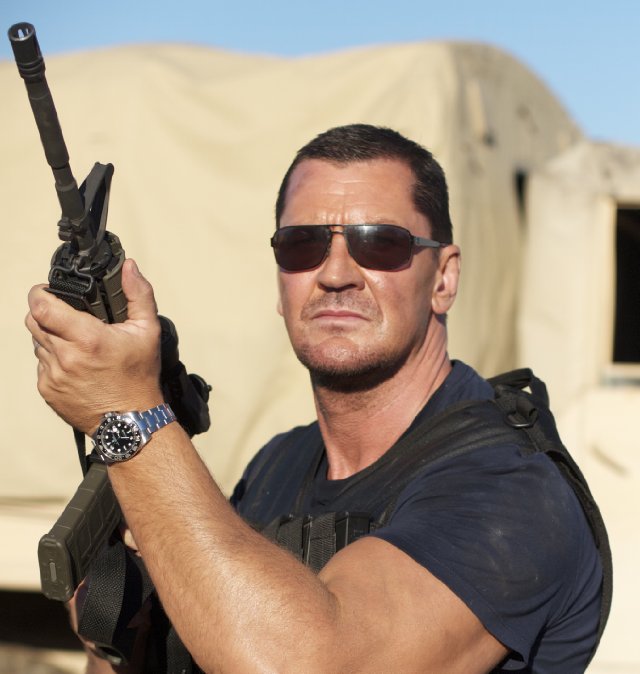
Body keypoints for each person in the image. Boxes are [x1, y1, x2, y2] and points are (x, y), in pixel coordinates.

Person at [26, 124, 603, 673]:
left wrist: (130, 415)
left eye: (380, 243)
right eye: (302, 245)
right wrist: (120, 624)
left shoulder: (511, 487)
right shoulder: (279, 462)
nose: (334, 274)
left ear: (444, 279)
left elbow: (315, 664)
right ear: (281, 283)